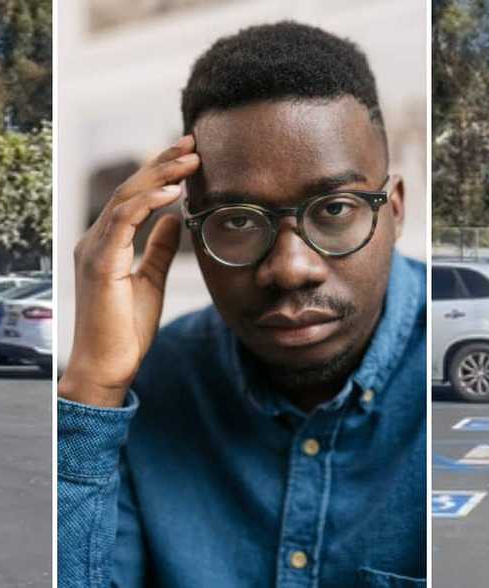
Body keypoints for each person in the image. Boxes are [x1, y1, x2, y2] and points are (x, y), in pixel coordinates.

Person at [57, 21, 426, 587]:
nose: (290, 268)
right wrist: (92, 390)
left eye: (333, 209)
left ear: (394, 210)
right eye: (236, 221)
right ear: (188, 234)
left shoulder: (451, 367)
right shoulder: (149, 383)